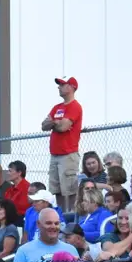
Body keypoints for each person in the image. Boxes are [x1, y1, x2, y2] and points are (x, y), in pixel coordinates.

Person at [42, 76, 83, 213]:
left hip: (68, 154)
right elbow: (44, 125)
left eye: (62, 84)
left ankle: (71, 213)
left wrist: (54, 122)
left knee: (70, 189)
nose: (59, 87)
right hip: (55, 154)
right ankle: (60, 214)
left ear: (72, 87)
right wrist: (56, 123)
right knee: (57, 189)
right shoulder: (57, 107)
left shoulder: (75, 106)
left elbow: (63, 127)